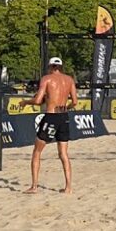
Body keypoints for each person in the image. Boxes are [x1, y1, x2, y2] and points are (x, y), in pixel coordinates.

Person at [18, 56, 79, 194]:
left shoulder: (46, 79)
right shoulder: (69, 80)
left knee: (37, 151)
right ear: (61, 67)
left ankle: (34, 186)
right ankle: (68, 187)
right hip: (64, 117)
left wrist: (25, 102)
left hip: (51, 116)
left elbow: (38, 100)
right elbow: (75, 102)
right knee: (63, 153)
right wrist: (65, 108)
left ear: (50, 66)